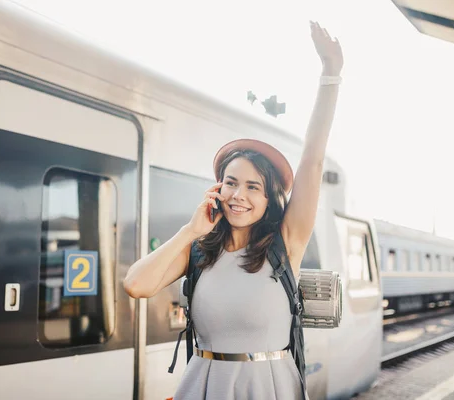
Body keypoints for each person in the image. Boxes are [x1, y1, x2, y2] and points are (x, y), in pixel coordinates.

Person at [124, 20, 343, 400]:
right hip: (204, 387)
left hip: (268, 388)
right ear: (217, 189)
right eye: (230, 182)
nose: (238, 195)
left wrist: (330, 75)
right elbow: (136, 284)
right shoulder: (199, 250)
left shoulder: (284, 244)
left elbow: (312, 160)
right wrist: (191, 231)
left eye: (252, 187)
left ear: (269, 198)